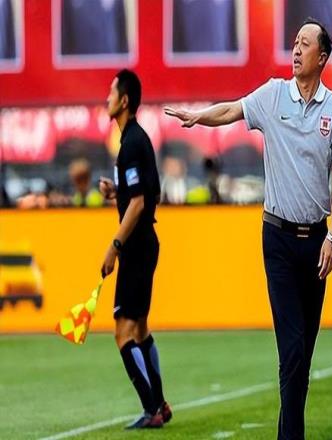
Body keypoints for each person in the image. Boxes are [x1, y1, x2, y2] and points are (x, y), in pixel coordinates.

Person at [164, 18, 332, 440]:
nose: (296, 49)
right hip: (278, 239)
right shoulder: (272, 95)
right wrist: (197, 116)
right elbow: (231, 109)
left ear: (322, 57)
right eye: (295, 42)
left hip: (316, 242)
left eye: (305, 44)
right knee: (291, 348)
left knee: (303, 355)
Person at [99, 69, 172, 429]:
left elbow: (141, 203)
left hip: (136, 247)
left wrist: (114, 246)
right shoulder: (138, 139)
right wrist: (117, 193)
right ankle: (160, 404)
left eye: (112, 91)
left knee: (123, 332)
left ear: (124, 100)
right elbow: (149, 192)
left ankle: (151, 409)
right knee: (140, 329)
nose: (107, 97)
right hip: (147, 243)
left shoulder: (130, 144)